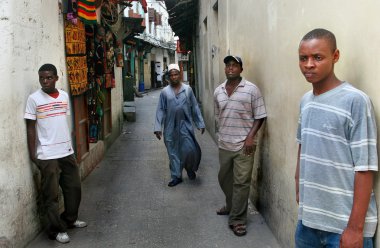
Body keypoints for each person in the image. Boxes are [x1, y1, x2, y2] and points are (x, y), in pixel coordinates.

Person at [295, 28, 378, 248]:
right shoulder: (305, 101)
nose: (309, 64)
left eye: (318, 57)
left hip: (343, 227)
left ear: (335, 56)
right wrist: (299, 189)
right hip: (308, 223)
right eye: (304, 58)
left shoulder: (356, 101)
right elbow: (303, 146)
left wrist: (355, 229)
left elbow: (365, 166)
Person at [25, 64, 87, 244]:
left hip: (66, 151)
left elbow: (62, 123)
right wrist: (33, 155)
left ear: (56, 78)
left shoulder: (64, 96)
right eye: (42, 78)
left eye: (49, 77)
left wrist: (72, 146)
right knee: (50, 194)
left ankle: (70, 219)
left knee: (74, 187)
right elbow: (30, 129)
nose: (45, 81)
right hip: (47, 154)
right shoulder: (34, 99)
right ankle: (55, 230)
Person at [214, 55, 267, 237]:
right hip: (224, 144)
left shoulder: (252, 90)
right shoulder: (218, 91)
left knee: (241, 183)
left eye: (234, 65)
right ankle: (231, 206)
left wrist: (250, 137)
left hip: (245, 145)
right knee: (224, 179)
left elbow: (260, 116)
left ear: (241, 69)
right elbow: (218, 115)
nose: (230, 68)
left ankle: (237, 220)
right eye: (227, 65)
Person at [154, 64, 205, 187]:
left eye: (176, 74)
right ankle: (176, 176)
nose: (173, 77)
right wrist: (157, 128)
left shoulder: (187, 89)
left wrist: (200, 123)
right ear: (169, 77)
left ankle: (190, 168)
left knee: (189, 150)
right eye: (171, 75)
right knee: (172, 151)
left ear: (180, 75)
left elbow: (195, 107)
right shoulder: (164, 92)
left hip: (185, 125)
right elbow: (160, 109)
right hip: (170, 125)